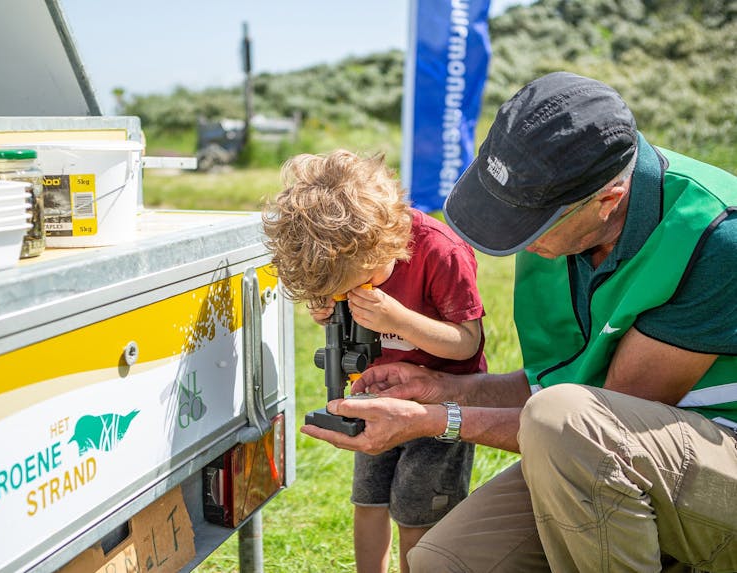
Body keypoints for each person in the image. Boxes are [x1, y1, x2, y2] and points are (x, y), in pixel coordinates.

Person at [301, 71, 737, 572]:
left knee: (564, 420)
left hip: (716, 457)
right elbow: (561, 386)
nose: (517, 240)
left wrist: (438, 420)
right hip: (602, 448)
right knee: (439, 563)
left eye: (530, 224)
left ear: (608, 201)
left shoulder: (713, 236)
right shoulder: (566, 231)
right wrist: (440, 387)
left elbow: (593, 424)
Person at [262, 149, 488, 573]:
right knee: (368, 500)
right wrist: (328, 311)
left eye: (360, 283)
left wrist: (397, 319)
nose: (350, 295)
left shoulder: (441, 252)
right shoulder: (345, 262)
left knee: (417, 512)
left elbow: (467, 344)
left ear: (381, 243)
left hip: (441, 407)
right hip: (377, 398)